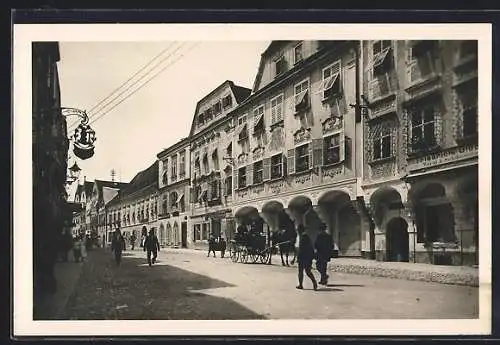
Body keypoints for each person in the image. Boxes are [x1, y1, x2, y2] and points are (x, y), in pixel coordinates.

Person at [296, 225, 318, 291]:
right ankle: (301, 284)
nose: (298, 231)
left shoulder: (304, 237)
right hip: (306, 257)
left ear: (300, 230)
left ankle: (313, 283)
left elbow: (301, 249)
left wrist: (297, 258)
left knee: (305, 272)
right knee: (305, 272)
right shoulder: (303, 237)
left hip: (304, 257)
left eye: (298, 230)